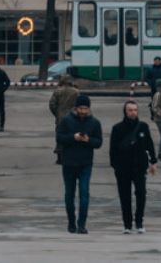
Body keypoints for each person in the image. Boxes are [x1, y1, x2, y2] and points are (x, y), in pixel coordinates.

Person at [109, 100, 158, 234]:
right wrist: (115, 165)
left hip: (139, 167)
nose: (133, 112)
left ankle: (139, 221)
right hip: (122, 168)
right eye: (130, 110)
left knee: (141, 194)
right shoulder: (117, 128)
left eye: (135, 110)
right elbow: (112, 150)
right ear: (125, 111)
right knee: (125, 196)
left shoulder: (143, 127)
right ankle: (127, 224)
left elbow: (149, 145)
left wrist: (153, 162)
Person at [56, 94, 102, 234]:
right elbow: (59, 137)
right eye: (81, 108)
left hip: (85, 163)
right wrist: (73, 137)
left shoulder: (94, 123)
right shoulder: (66, 121)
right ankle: (71, 222)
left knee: (84, 194)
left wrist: (88, 140)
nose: (83, 111)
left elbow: (98, 142)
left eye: (86, 108)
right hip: (69, 162)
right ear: (76, 108)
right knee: (69, 194)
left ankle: (81, 224)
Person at [49, 75, 80, 164]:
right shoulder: (76, 92)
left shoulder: (57, 91)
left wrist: (57, 113)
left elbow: (52, 104)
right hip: (73, 117)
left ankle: (60, 157)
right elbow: (79, 104)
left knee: (60, 136)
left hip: (60, 117)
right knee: (73, 135)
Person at [0, 65, 11, 131]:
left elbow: (8, 82)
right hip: (0, 93)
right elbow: (8, 82)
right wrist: (3, 89)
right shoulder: (1, 72)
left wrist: (3, 89)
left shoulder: (0, 73)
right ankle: (1, 126)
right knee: (1, 111)